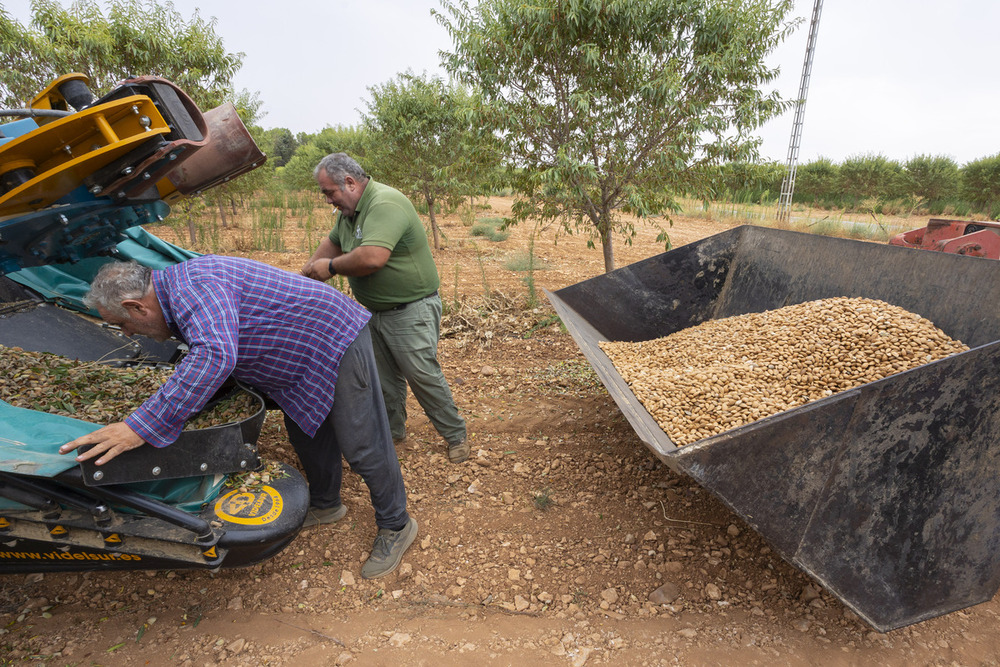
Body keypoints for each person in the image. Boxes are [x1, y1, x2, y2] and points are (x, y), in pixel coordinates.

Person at [59, 256, 417, 579]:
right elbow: (213, 349)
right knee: (306, 431)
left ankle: (397, 524)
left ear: (135, 307)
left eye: (122, 324)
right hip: (295, 355)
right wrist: (180, 405)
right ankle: (327, 504)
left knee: (362, 443)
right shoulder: (175, 290)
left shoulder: (193, 287)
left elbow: (216, 355)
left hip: (332, 337)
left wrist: (140, 426)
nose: (127, 334)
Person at [302, 152, 469, 464]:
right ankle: (393, 431)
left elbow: (371, 258)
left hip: (411, 308)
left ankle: (455, 434)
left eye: (329, 192)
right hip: (374, 311)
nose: (327, 200)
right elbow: (329, 247)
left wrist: (332, 268)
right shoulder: (348, 214)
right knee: (383, 380)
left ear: (349, 182)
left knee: (421, 374)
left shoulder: (384, 204)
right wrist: (305, 277)